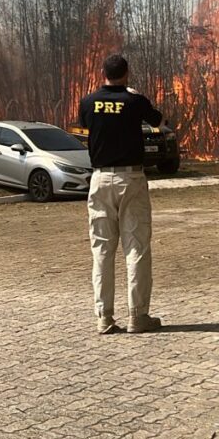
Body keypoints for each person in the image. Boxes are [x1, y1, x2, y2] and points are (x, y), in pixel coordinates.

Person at [78, 53, 163, 336]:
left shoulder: (89, 102)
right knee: (136, 247)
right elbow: (157, 121)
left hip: (100, 179)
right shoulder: (134, 101)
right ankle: (138, 317)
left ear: (103, 72)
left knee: (102, 250)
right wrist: (135, 95)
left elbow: (88, 124)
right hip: (131, 178)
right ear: (126, 73)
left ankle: (104, 317)